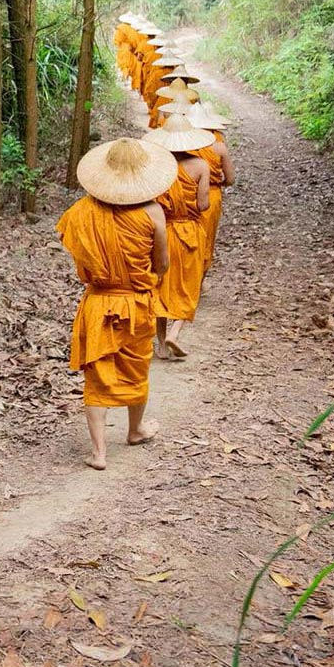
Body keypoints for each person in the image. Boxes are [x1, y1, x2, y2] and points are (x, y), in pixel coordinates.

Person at [57, 138, 177, 468]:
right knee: (136, 367)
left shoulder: (81, 212)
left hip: (98, 303)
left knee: (97, 376)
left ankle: (99, 452)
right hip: (136, 303)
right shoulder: (153, 212)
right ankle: (135, 429)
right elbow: (162, 264)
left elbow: (80, 258)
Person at [143, 114, 217, 359]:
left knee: (162, 286)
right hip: (189, 232)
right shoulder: (200, 166)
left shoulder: (159, 166)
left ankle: (162, 346)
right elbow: (203, 204)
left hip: (163, 231)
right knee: (188, 285)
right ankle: (176, 331)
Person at [184, 103, 236, 252]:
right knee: (206, 239)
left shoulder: (181, 146)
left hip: (184, 197)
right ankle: (202, 267)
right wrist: (217, 184)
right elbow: (230, 178)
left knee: (187, 239)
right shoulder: (219, 146)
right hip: (211, 195)